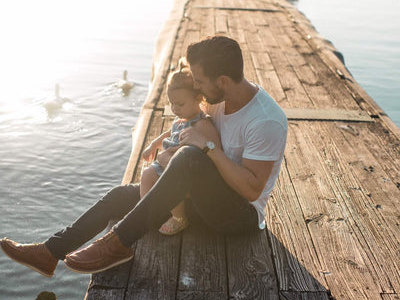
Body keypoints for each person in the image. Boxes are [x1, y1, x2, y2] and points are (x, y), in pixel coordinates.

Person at [0, 35, 288, 277]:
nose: (195, 86)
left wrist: (207, 149)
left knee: (189, 157)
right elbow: (189, 126)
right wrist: (161, 140)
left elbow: (252, 190)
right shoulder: (218, 100)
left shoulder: (265, 120)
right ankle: (50, 252)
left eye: (199, 81)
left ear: (223, 80)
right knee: (119, 195)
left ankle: (118, 243)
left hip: (237, 216)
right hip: (201, 198)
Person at [140, 58, 221, 235]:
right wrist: (153, 145)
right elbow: (169, 133)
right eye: (172, 103)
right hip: (165, 162)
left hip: (182, 171)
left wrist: (172, 155)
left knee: (170, 185)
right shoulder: (181, 119)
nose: (175, 108)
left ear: (198, 98)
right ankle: (148, 212)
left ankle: (179, 218)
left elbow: (209, 149)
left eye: (180, 104)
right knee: (146, 176)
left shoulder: (201, 124)